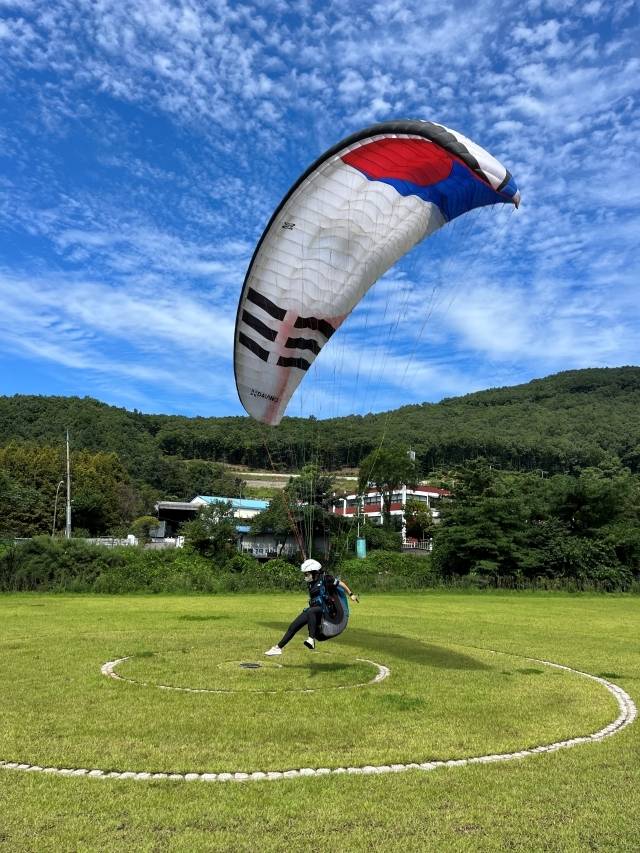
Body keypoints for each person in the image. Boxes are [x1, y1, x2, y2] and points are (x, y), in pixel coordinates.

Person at [265, 558, 359, 655]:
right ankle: (278, 648)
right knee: (294, 625)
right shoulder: (311, 583)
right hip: (315, 610)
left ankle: (311, 639)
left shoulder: (326, 579)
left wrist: (351, 594)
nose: (305, 576)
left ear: (315, 573)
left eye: (307, 574)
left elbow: (341, 584)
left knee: (311, 611)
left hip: (325, 612)